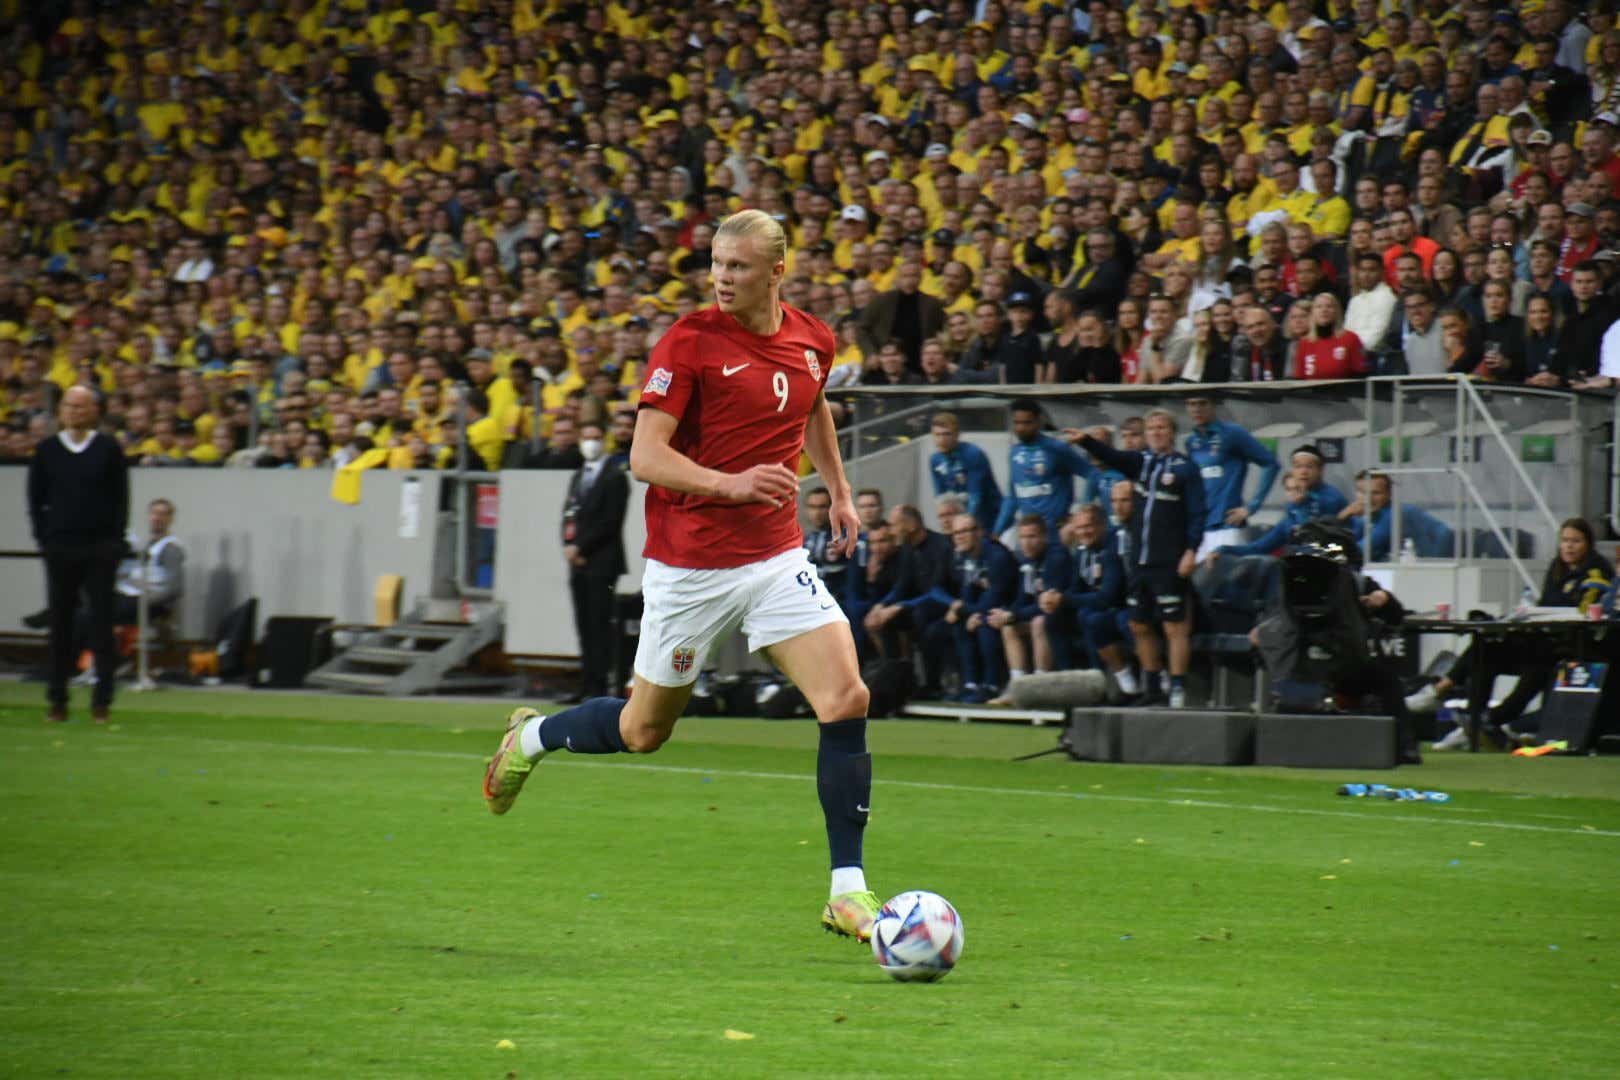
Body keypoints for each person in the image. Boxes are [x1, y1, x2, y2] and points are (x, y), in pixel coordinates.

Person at [482, 211, 883, 944]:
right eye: (717, 264)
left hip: (775, 558)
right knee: (643, 731)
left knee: (846, 695)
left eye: (738, 266)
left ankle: (847, 891)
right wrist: (733, 485)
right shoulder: (689, 342)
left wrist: (840, 491)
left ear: (776, 271)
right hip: (691, 567)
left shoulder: (812, 339)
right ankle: (533, 738)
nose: (722, 277)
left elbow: (814, 405)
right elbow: (645, 457)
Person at [1406, 518, 1614, 747]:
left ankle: (1481, 719)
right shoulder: (1557, 568)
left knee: (1537, 669)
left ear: (1588, 544)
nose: (1569, 546)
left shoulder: (1597, 572)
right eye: (1565, 540)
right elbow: (1545, 606)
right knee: (1486, 648)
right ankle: (1461, 714)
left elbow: (1583, 613)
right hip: (1543, 639)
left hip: (1570, 646)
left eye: (1576, 541)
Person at [1076, 410, 1206, 708]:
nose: (1156, 432)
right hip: (1140, 560)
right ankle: (1153, 685)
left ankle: (1177, 688)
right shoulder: (1140, 463)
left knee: (1174, 627)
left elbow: (1197, 513)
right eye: (1151, 428)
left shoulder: (1185, 468)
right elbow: (1112, 456)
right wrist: (1086, 441)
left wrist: (1191, 550)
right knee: (1139, 624)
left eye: (1162, 427)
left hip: (1169, 560)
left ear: (1172, 432)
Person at [25, 386, 129, 724]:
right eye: (69, 406)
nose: (74, 412)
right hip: (61, 547)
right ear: (61, 411)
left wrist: (114, 542)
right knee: (60, 623)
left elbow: (120, 499)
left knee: (101, 625)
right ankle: (58, 699)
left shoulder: (108, 449)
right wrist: (45, 539)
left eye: (81, 406)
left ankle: (102, 700)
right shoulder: (47, 450)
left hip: (99, 547)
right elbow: (35, 499)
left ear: (95, 411)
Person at [561, 420, 631, 701]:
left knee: (600, 624)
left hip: (601, 562)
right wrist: (567, 545)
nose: (590, 443)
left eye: (595, 437)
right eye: (586, 437)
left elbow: (610, 522)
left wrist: (580, 547)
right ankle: (587, 682)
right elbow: (568, 515)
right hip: (577, 563)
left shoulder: (615, 477)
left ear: (604, 441)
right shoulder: (578, 476)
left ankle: (600, 685)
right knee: (584, 625)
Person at [1184, 395, 1281, 560]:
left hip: (1227, 526)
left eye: (1202, 403)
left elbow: (1270, 463)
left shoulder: (1233, 433)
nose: (1196, 409)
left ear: (1214, 405)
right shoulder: (1191, 442)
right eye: (1191, 404)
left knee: (1226, 575)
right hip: (1200, 528)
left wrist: (1251, 507)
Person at [990, 513, 1075, 697]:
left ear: (1044, 537)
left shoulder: (1057, 557)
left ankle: (1039, 685)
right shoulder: (1026, 560)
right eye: (1022, 537)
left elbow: (1048, 605)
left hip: (1066, 617)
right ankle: (1017, 686)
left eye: (1032, 536)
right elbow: (1023, 598)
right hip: (1040, 614)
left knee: (1039, 622)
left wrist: (1014, 615)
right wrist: (1006, 614)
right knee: (1009, 627)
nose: (1026, 543)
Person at [1034, 503, 1125, 674]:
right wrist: (1053, 598)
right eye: (1079, 527)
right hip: (1095, 606)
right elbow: (1075, 589)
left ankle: (1102, 675)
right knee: (1054, 616)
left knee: (1089, 617)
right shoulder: (1082, 552)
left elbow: (1107, 597)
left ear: (1102, 525)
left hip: (1118, 607)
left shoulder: (1112, 549)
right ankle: (1068, 675)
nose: (1083, 532)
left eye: (1088, 526)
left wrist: (1063, 599)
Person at [993, 400, 1097, 540]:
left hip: (1057, 532)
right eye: (1017, 423)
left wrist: (1082, 511)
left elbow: (1092, 474)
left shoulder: (1057, 448)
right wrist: (997, 531)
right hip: (1030, 535)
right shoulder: (1014, 453)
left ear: (1038, 422)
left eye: (1027, 423)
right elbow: (1012, 497)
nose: (1020, 428)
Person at [943, 515, 1018, 704]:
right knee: (958, 624)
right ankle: (970, 684)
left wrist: (967, 611)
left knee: (986, 623)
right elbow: (967, 592)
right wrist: (965, 612)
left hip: (1009, 609)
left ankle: (992, 685)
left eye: (964, 531)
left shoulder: (997, 556)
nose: (959, 537)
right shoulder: (965, 556)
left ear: (979, 532)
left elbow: (996, 596)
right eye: (956, 533)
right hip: (984, 607)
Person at [1342, 471, 1454, 562]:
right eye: (1363, 492)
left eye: (1376, 493)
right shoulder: (1362, 517)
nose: (1369, 498)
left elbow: (1360, 551)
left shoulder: (1396, 514)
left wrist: (1340, 518)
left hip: (1426, 569)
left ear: (1389, 494)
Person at [928, 412, 1002, 533]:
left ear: (957, 435)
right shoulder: (935, 460)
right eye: (937, 435)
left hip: (989, 518)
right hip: (959, 521)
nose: (941, 440)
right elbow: (940, 499)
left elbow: (975, 497)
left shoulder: (973, 454)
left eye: (947, 434)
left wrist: (963, 526)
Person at [802, 487, 851, 595]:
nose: (817, 513)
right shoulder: (807, 540)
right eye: (812, 507)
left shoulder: (846, 538)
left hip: (839, 599)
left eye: (822, 507)